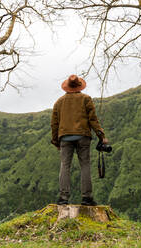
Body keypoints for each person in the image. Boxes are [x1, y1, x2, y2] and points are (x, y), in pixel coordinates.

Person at [51, 74, 108, 206]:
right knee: (85, 165)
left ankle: (63, 198)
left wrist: (56, 142)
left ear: (67, 87)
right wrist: (101, 136)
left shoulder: (59, 102)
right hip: (83, 136)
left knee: (65, 166)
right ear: (79, 86)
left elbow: (54, 124)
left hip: (65, 137)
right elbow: (93, 120)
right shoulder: (86, 99)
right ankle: (87, 198)